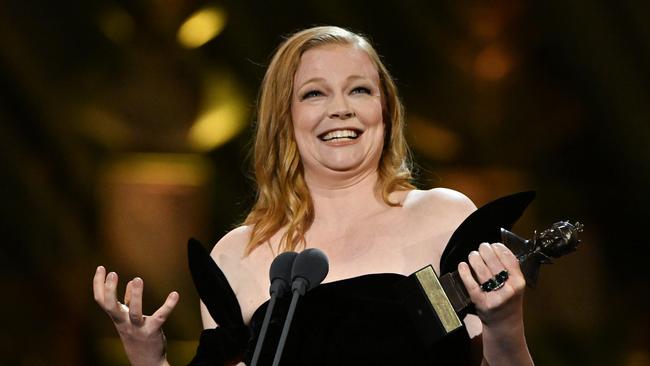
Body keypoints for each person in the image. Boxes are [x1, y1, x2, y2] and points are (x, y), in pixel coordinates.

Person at [93, 26, 534, 366]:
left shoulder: (443, 217)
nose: (340, 107)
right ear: (284, 119)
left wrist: (506, 322)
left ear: (386, 109)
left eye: (359, 89)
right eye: (314, 93)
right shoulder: (237, 255)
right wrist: (148, 356)